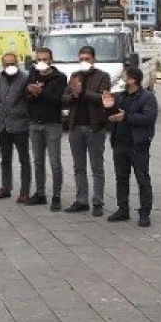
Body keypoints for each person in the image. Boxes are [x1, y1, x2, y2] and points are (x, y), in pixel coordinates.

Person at [105, 67, 158, 227]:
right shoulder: (120, 96)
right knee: (121, 178)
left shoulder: (147, 97)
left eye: (124, 76)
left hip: (137, 145)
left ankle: (144, 213)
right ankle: (123, 209)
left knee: (142, 179)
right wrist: (107, 106)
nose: (121, 78)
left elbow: (148, 117)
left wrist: (126, 117)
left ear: (132, 80)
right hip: (119, 143)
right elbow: (113, 112)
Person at [62, 45, 112, 216]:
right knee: (78, 166)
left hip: (94, 126)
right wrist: (74, 95)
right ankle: (81, 200)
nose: (84, 62)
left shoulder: (103, 76)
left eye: (87, 59)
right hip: (75, 126)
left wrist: (82, 92)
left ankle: (98, 202)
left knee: (97, 167)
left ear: (93, 59)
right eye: (81, 59)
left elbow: (102, 98)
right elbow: (64, 99)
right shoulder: (74, 76)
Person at [25, 48, 67, 208]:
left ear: (51, 60)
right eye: (39, 59)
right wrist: (33, 93)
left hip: (52, 123)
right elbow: (26, 97)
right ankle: (40, 193)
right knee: (38, 161)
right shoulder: (32, 75)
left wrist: (40, 92)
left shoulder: (59, 77)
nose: (42, 62)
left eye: (45, 59)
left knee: (55, 161)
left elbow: (57, 100)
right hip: (35, 123)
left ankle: (56, 196)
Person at [0, 52, 31, 201]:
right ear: (3, 65)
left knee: (24, 159)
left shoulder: (25, 78)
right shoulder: (1, 78)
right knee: (5, 158)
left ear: (17, 63)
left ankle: (25, 190)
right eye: (6, 64)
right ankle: (6, 187)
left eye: (12, 63)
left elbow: (28, 99)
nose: (9, 66)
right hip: (3, 125)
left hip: (20, 124)